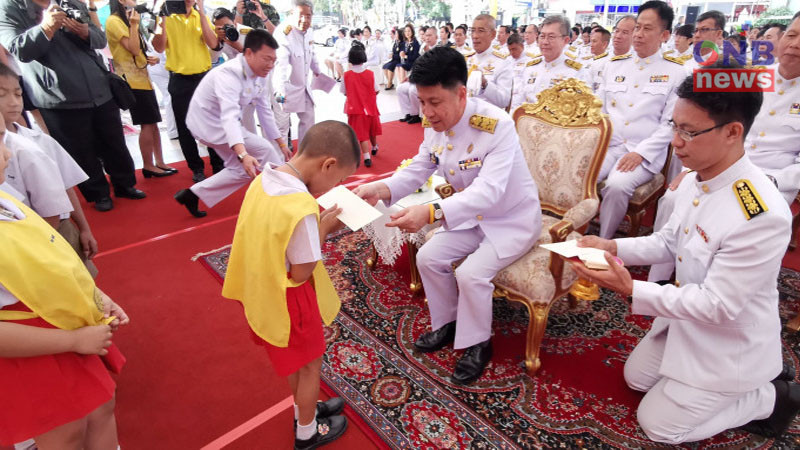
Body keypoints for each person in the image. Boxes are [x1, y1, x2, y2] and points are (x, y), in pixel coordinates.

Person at [571, 71, 800, 445]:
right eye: (674, 126)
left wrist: (632, 289)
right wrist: (613, 248)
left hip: (726, 341)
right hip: (686, 320)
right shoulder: (699, 177)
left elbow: (719, 306)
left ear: (732, 132)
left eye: (690, 132)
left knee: (658, 425)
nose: (676, 143)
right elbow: (668, 241)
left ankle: (767, 397)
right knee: (636, 379)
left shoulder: (761, 215)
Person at [354, 47, 541, 385]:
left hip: (511, 220)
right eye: (421, 102)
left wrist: (429, 212)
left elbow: (489, 192)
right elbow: (420, 167)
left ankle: (479, 343)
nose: (427, 112)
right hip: (470, 217)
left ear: (462, 93)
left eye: (434, 102)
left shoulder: (496, 125)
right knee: (428, 257)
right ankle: (449, 323)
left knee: (470, 274)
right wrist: (380, 189)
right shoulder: (435, 125)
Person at [222, 121, 359, 449]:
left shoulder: (263, 180)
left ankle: (305, 409)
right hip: (291, 299)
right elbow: (301, 271)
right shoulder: (301, 207)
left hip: (264, 289)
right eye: (338, 179)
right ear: (327, 164)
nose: (332, 187)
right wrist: (323, 228)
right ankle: (307, 432)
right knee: (310, 367)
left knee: (294, 362)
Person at [0, 131, 130, 448]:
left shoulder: (6, 197)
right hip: (34, 345)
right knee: (64, 432)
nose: (7, 152)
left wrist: (94, 296)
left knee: (101, 407)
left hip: (61, 330)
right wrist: (72, 339)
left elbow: (50, 259)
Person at [0, 0, 145, 212]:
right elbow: (18, 49)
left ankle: (125, 185)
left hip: (99, 88)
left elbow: (99, 38)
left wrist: (85, 32)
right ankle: (98, 194)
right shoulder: (10, 8)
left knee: (114, 142)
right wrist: (45, 28)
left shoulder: (71, 2)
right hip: (58, 96)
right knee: (80, 151)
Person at [595, 1, 687, 240]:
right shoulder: (613, 66)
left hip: (643, 152)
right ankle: (576, 231)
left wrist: (641, 153)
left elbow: (671, 124)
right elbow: (598, 110)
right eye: (637, 27)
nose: (638, 34)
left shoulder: (676, 72)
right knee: (582, 174)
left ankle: (603, 241)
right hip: (608, 145)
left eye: (647, 29)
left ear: (664, 35)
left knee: (616, 185)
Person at [174, 29, 288, 218]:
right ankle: (285, 191)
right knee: (262, 152)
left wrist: (281, 142)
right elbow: (229, 116)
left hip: (223, 123)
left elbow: (264, 109)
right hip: (208, 124)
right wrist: (243, 153)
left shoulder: (261, 72)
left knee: (245, 167)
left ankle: (193, 194)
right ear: (249, 53)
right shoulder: (229, 74)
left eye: (273, 60)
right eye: (266, 58)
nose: (270, 65)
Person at [0, 66, 99, 275]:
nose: (13, 102)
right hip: (15, 241)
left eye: (18, 94)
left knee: (79, 286)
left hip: (53, 231)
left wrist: (84, 228)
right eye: (2, 94)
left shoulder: (38, 142)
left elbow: (65, 188)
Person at [152, 0, 225, 183]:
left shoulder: (200, 15)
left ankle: (217, 164)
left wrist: (201, 12)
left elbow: (214, 44)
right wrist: (162, 19)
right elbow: (159, 47)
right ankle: (196, 168)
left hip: (204, 78)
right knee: (185, 128)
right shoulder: (167, 16)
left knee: (211, 123)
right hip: (180, 79)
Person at [106, 0, 177, 178]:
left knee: (153, 122)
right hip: (131, 81)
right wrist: (134, 24)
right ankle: (148, 165)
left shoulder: (128, 18)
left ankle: (159, 162)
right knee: (146, 123)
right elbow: (133, 48)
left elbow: (138, 51)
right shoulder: (114, 21)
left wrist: (148, 59)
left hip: (142, 78)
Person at [272, 0, 323, 148]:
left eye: (308, 16)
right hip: (284, 88)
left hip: (303, 86)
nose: (305, 20)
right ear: (292, 13)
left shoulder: (310, 31)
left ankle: (304, 159)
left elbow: (311, 54)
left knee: (309, 125)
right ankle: (278, 165)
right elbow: (280, 65)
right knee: (281, 128)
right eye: (301, 15)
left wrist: (318, 71)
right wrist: (280, 92)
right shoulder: (283, 32)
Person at [519, 15, 590, 106]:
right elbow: (518, 104)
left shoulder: (576, 72)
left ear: (565, 40)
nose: (545, 42)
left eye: (551, 37)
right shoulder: (530, 67)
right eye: (542, 36)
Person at [341, 43, 380, 168]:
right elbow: (377, 90)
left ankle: (367, 156)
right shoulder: (370, 73)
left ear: (350, 59)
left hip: (354, 108)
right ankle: (374, 146)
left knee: (361, 134)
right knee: (371, 130)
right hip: (370, 108)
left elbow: (344, 92)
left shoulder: (346, 75)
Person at [464, 14, 513, 109]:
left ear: (493, 34)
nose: (475, 36)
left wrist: (485, 84)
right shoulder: (465, 59)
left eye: (481, 31)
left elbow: (504, 101)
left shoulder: (503, 63)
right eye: (473, 31)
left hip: (488, 119)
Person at [397, 26, 436, 124]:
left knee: (413, 90)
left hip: (431, 80)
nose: (427, 38)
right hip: (418, 77)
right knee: (400, 88)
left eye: (430, 35)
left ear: (436, 36)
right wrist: (411, 76)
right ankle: (408, 113)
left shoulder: (439, 49)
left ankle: (415, 114)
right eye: (426, 35)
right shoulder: (422, 48)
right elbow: (417, 64)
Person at [591, 15, 635, 92]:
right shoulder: (599, 63)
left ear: (634, 35)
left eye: (625, 32)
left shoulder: (638, 64)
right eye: (617, 31)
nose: (618, 36)